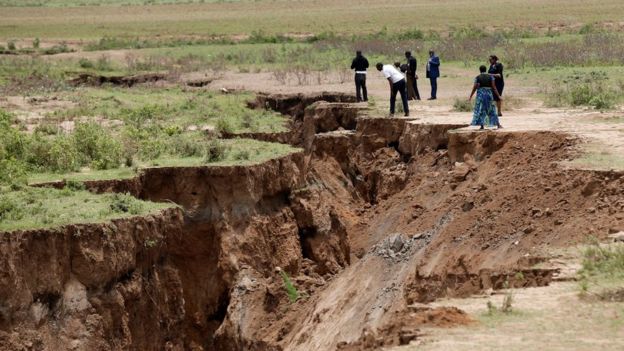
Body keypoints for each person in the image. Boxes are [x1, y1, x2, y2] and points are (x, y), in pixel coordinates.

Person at [469, 65, 502, 129]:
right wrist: (498, 95)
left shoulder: (477, 77)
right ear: (486, 70)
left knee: (481, 109)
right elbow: (494, 87)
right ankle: (498, 125)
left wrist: (471, 96)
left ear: (480, 70)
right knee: (492, 109)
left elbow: (475, 87)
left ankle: (482, 126)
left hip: (481, 95)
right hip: (489, 95)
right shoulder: (491, 77)